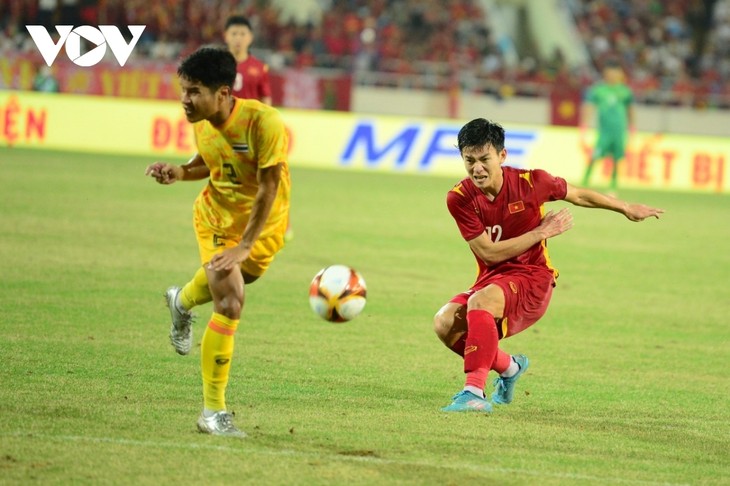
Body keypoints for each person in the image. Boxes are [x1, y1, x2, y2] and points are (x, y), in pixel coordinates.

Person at [435, 118, 663, 413]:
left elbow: (578, 194)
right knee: (444, 324)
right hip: (493, 277)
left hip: (533, 278)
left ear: (502, 156)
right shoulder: (460, 198)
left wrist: (625, 208)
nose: (477, 168)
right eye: (469, 160)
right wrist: (540, 232)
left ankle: (473, 393)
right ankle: (509, 367)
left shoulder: (532, 183)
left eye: (484, 159)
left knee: (481, 302)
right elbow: (489, 254)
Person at [145, 46, 290, 436]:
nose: (185, 100)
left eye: (194, 91)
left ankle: (181, 300)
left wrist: (245, 246)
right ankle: (213, 412)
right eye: (183, 90)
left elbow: (269, 186)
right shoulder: (202, 121)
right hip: (216, 219)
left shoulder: (264, 123)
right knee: (230, 299)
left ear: (223, 93)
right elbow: (210, 163)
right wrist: (178, 171)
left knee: (245, 279)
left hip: (262, 226)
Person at [580, 59, 635, 193]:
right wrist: (584, 124)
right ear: (605, 73)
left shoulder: (625, 91)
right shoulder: (598, 90)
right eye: (610, 73)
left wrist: (632, 126)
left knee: (617, 158)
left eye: (615, 73)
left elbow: (630, 109)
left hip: (619, 131)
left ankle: (613, 185)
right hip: (604, 131)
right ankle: (585, 182)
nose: (612, 75)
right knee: (595, 156)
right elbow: (589, 106)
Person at [223, 15, 272, 105]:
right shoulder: (216, 65)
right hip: (221, 119)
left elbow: (265, 98)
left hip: (249, 118)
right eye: (234, 33)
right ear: (225, 36)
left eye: (242, 34)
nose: (238, 38)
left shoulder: (260, 67)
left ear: (250, 37)